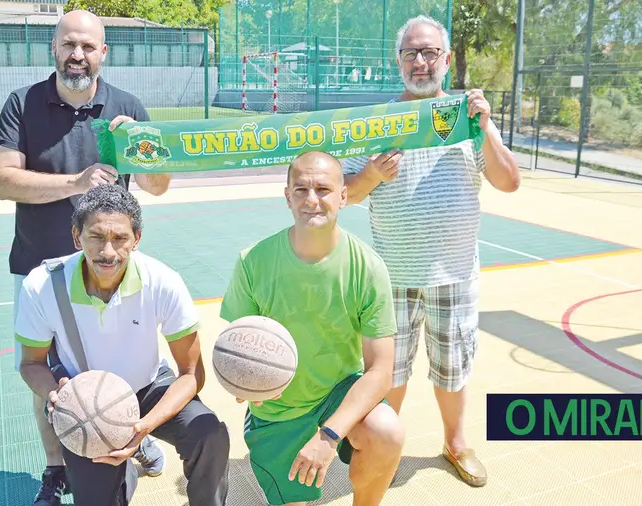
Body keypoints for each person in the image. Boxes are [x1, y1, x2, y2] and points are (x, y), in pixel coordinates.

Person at [0, 10, 171, 505]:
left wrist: (140, 147)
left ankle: (134, 434)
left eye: (89, 47)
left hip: (110, 269)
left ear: (103, 53)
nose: (78, 55)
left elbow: (159, 185)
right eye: (69, 44)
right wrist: (74, 183)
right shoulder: (23, 104)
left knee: (122, 366)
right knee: (47, 378)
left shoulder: (127, 106)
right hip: (40, 271)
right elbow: (3, 180)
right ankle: (55, 469)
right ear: (54, 47)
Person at [341, 15, 521, 488]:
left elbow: (509, 181)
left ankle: (456, 444)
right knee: (388, 373)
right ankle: (388, 445)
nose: (420, 62)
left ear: (445, 60)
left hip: (455, 274)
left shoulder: (466, 118)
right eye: (410, 53)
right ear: (397, 60)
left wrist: (485, 127)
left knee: (453, 369)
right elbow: (346, 193)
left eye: (429, 53)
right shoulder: (378, 122)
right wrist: (372, 176)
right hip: (392, 277)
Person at [15, 184, 230, 506]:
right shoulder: (42, 285)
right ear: (77, 236)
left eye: (120, 239)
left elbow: (190, 374)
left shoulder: (162, 281)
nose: (108, 252)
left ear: (137, 239)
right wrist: (55, 394)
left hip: (147, 386)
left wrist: (143, 427)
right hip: (86, 401)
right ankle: (123, 472)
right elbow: (31, 363)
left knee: (210, 434)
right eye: (96, 237)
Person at [219, 151, 405, 506]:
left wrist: (330, 435)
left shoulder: (368, 267)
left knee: (387, 431)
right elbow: (234, 346)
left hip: (337, 389)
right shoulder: (253, 261)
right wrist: (245, 384)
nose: (312, 199)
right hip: (279, 406)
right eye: (301, 189)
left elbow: (381, 371)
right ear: (287, 196)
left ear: (344, 196)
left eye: (323, 188)